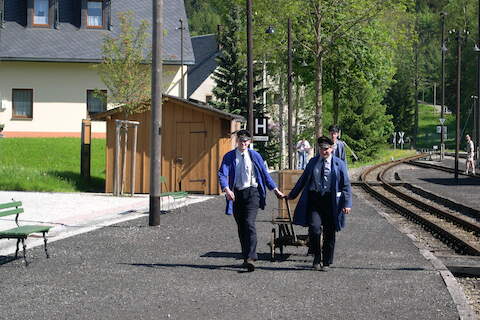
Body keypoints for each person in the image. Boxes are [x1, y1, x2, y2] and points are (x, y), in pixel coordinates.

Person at [218, 130, 284, 272]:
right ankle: (246, 257)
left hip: (252, 192)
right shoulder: (229, 156)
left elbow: (265, 174)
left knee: (249, 222)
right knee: (241, 226)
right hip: (236, 194)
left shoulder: (255, 156)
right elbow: (222, 173)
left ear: (249, 142)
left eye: (246, 141)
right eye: (241, 140)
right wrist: (226, 189)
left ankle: (252, 257)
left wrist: (275, 190)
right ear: (237, 141)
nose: (243, 143)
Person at [287, 136, 352, 271]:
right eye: (322, 149)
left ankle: (327, 261)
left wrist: (347, 204)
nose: (324, 152)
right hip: (315, 200)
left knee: (329, 232)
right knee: (315, 229)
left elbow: (346, 185)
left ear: (332, 149)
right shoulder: (313, 162)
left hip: (331, 201)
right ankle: (316, 258)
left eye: (326, 149)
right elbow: (302, 180)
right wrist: (291, 195)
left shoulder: (339, 164)